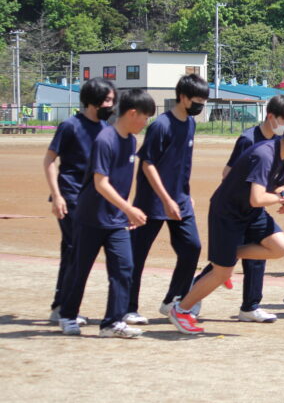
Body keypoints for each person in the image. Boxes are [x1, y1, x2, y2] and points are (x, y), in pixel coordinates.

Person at [168, 109, 284, 334]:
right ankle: (180, 309)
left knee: (280, 247)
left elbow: (274, 186)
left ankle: (232, 254)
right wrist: (279, 197)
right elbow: (257, 197)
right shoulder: (265, 154)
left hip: (250, 213)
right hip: (228, 213)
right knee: (222, 273)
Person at [190, 94, 284, 322]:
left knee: (258, 254)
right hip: (235, 208)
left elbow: (279, 183)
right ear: (271, 117)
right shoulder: (249, 140)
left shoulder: (283, 146)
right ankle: (193, 294)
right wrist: (252, 194)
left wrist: (283, 195)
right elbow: (228, 173)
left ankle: (250, 306)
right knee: (224, 262)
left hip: (255, 207)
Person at [58, 89, 156, 337]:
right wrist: (129, 209)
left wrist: (127, 212)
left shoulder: (131, 141)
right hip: (91, 218)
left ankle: (112, 323)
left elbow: (124, 181)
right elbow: (101, 183)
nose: (146, 123)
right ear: (133, 113)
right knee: (80, 270)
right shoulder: (106, 139)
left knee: (124, 268)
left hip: (116, 220)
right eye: (145, 117)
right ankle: (67, 315)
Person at [123, 74, 209, 325]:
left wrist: (185, 195)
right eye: (196, 100)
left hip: (180, 200)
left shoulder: (190, 124)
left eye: (203, 101)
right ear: (182, 97)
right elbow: (148, 164)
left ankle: (173, 299)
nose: (200, 105)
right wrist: (165, 199)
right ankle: (128, 308)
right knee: (137, 256)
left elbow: (182, 165)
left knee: (191, 248)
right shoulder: (161, 125)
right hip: (152, 202)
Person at [44, 77, 116, 324]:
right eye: (107, 100)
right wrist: (57, 196)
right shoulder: (71, 126)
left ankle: (60, 305)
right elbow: (49, 160)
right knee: (76, 250)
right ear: (93, 100)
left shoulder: (107, 129)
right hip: (71, 197)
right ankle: (63, 307)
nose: (111, 105)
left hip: (93, 201)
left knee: (72, 250)